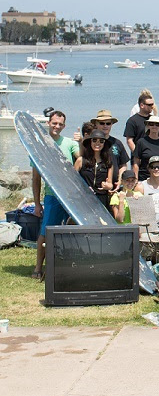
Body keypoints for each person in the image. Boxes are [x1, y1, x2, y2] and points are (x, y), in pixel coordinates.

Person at [30, 111, 79, 279]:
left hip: (70, 196)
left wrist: (82, 141)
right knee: (45, 232)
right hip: (52, 196)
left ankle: (65, 265)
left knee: (68, 231)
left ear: (64, 126)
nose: (57, 126)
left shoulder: (70, 144)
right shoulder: (39, 147)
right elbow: (36, 178)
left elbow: (83, 159)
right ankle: (38, 267)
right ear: (48, 123)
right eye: (54, 123)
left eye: (60, 124)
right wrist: (37, 203)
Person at [74, 129, 116, 208]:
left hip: (101, 199)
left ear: (104, 144)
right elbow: (72, 180)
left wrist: (107, 186)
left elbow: (110, 184)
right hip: (84, 198)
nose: (97, 143)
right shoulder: (81, 160)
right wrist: (83, 187)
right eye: (94, 140)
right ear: (90, 142)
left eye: (101, 141)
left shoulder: (108, 163)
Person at [132, 116, 159, 181]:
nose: (154, 126)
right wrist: (135, 180)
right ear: (148, 126)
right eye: (151, 124)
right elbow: (136, 163)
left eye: (157, 124)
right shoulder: (141, 142)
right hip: (144, 179)